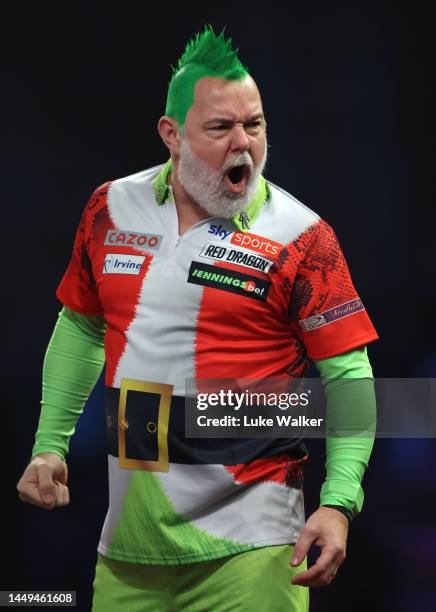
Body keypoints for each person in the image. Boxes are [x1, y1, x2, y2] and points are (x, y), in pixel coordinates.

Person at [17, 26, 378, 611]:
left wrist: (338, 502)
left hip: (257, 549)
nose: (244, 144)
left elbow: (349, 375)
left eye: (254, 125)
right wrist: (48, 445)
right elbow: (81, 327)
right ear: (171, 134)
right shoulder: (109, 208)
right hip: (128, 555)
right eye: (220, 127)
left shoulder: (305, 237)